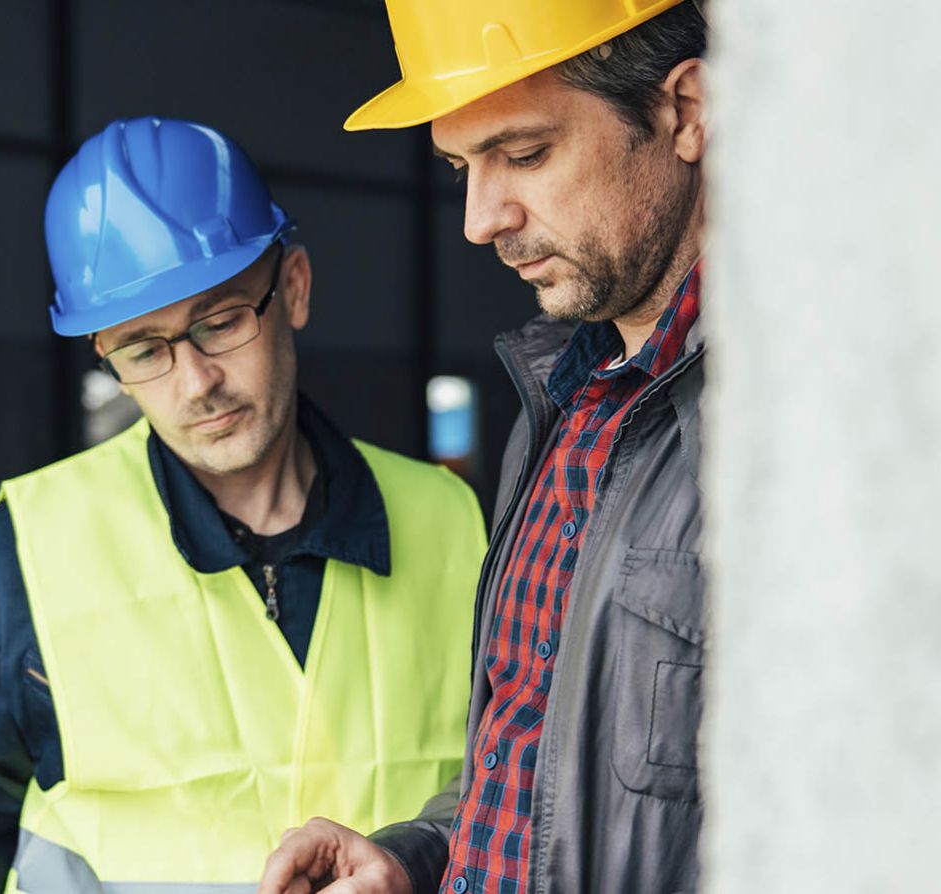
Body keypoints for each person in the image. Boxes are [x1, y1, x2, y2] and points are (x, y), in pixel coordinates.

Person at [0, 116, 488, 893]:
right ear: (105, 356)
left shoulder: (455, 525)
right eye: (144, 350)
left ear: (296, 289)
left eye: (220, 323)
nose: (195, 383)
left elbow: (522, 790)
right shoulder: (13, 561)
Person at [259, 2, 709, 892]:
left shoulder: (813, 434)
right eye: (461, 166)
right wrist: (422, 856)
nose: (477, 218)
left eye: (526, 153)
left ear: (685, 113)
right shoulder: (562, 406)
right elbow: (542, 765)